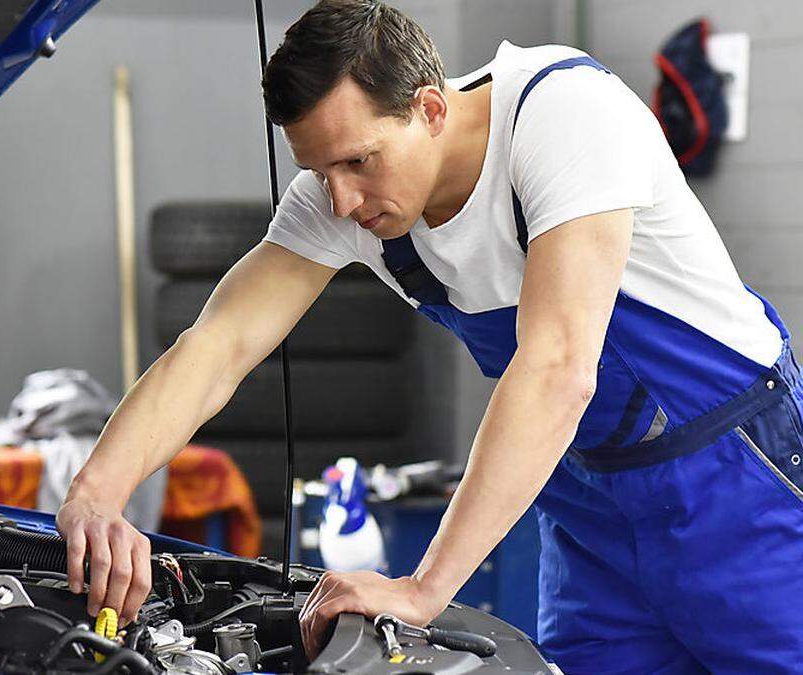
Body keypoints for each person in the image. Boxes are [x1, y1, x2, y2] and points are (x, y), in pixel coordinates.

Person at [57, 1, 803, 671]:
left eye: (358, 162)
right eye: (319, 172)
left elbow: (557, 369)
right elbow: (217, 345)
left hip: (733, 480)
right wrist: (97, 491)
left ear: (430, 108)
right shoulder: (344, 195)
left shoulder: (563, 115)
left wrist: (423, 588)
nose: (341, 200)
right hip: (588, 506)